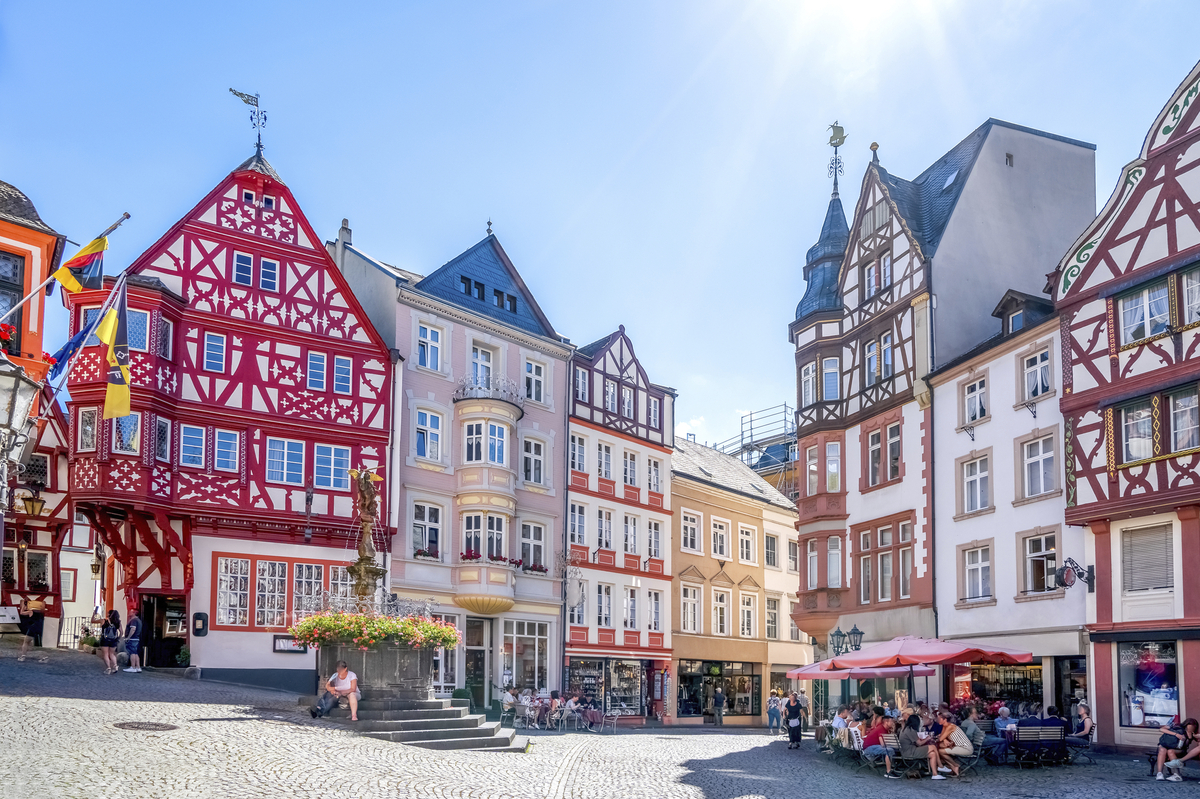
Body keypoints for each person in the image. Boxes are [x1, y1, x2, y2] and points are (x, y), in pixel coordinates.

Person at [899, 712, 946, 780]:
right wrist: (927, 738)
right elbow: (919, 743)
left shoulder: (905, 729)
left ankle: (935, 774)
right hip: (910, 752)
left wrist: (923, 739)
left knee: (932, 754)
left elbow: (916, 741)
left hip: (907, 751)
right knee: (933, 747)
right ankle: (940, 766)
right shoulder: (910, 730)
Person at [935, 709, 971, 776]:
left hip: (965, 748)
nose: (937, 720)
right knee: (939, 749)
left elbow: (940, 738)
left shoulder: (950, 727)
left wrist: (942, 738)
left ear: (945, 719)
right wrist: (944, 739)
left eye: (939, 719)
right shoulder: (945, 726)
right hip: (957, 746)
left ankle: (955, 765)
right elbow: (942, 737)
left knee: (940, 751)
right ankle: (953, 767)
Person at [99, 609, 121, 674]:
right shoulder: (118, 622)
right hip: (113, 640)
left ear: (109, 614)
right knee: (112, 654)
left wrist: (94, 613)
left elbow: (92, 620)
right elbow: (121, 632)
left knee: (105, 654)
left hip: (105, 640)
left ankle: (108, 668)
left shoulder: (104, 621)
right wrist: (118, 639)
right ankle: (115, 666)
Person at [121, 609, 143, 673]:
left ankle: (133, 667)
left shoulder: (134, 620)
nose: (129, 612)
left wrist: (128, 637)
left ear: (134, 613)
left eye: (131, 611)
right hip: (136, 638)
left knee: (132, 653)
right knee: (135, 653)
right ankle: (138, 667)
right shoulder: (138, 620)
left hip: (132, 639)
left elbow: (133, 629)